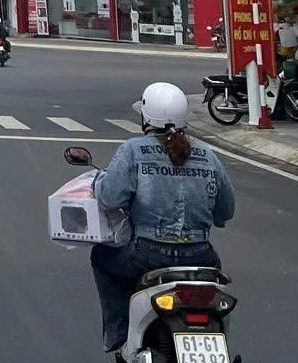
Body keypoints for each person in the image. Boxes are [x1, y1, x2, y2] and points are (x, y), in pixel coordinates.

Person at [89, 83, 236, 357]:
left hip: (147, 255)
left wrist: (99, 181)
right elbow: (225, 211)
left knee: (101, 256)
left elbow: (109, 198)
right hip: (202, 257)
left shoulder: (133, 151)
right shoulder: (208, 155)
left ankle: (119, 335)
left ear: (146, 117)